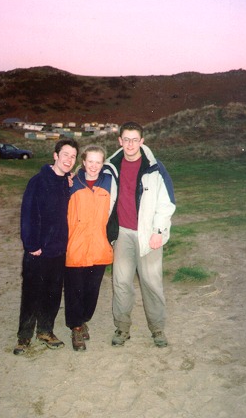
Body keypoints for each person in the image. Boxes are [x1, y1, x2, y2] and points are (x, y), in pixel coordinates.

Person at [103, 121, 176, 347]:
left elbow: (167, 203)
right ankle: (122, 328)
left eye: (135, 139)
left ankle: (157, 329)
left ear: (142, 141)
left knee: (151, 283)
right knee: (121, 282)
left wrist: (159, 232)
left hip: (148, 235)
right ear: (120, 141)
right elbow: (90, 179)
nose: (130, 144)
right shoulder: (111, 166)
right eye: (126, 139)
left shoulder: (155, 168)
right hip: (123, 234)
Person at [13, 138, 79, 355]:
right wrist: (32, 245)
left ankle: (45, 330)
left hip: (58, 249)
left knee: (52, 292)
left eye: (73, 156)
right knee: (32, 292)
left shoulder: (66, 183)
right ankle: (24, 337)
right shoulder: (38, 181)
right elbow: (28, 214)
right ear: (55, 155)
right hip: (38, 250)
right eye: (65, 154)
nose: (69, 159)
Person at [64, 145, 116, 351]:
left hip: (99, 246)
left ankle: (83, 318)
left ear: (103, 163)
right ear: (83, 162)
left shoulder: (110, 183)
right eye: (90, 161)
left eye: (98, 162)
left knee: (91, 289)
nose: (94, 166)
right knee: (74, 289)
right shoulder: (71, 183)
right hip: (75, 245)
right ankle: (75, 327)